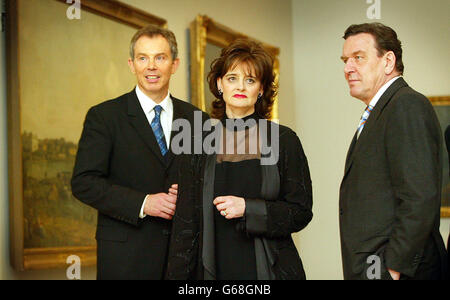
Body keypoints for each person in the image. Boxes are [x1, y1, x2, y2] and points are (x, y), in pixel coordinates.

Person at [166, 38, 313, 280]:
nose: (241, 87)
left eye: (251, 80)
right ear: (219, 84)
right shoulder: (196, 142)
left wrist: (249, 208)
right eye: (232, 78)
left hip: (270, 269)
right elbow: (185, 226)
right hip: (211, 268)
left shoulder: (284, 139)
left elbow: (300, 212)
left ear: (262, 89)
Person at [71, 25, 206, 279]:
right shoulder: (104, 117)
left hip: (185, 259)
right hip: (125, 260)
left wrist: (192, 192)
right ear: (132, 65)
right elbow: (83, 183)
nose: (151, 66)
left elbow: (211, 182)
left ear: (174, 64)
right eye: (143, 58)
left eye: (160, 58)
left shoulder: (198, 120)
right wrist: (145, 203)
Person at [339, 22, 448, 280]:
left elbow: (418, 197)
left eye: (358, 58)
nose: (347, 68)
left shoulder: (406, 105)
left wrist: (393, 269)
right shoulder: (383, 110)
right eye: (345, 60)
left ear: (388, 61)